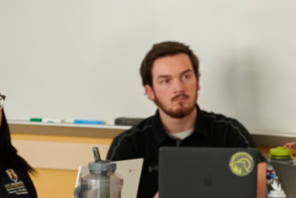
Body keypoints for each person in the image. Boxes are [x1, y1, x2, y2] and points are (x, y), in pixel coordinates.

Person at [107, 41, 261, 198]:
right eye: (166, 81)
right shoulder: (128, 145)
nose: (179, 88)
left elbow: (262, 189)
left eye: (186, 76)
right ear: (150, 91)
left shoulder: (229, 133)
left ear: (198, 82)